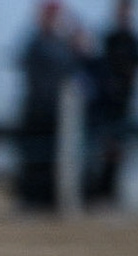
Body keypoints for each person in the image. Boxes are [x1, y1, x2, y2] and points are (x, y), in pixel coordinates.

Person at [18, 2, 83, 209]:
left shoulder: (59, 43)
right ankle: (32, 198)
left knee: (51, 157)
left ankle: (46, 198)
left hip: (56, 110)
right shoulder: (38, 42)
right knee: (35, 156)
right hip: (39, 107)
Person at [90, 0, 138, 202]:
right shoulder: (110, 39)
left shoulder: (135, 41)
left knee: (120, 149)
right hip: (106, 105)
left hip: (125, 104)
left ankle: (112, 191)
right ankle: (102, 190)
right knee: (106, 148)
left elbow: (137, 71)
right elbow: (101, 68)